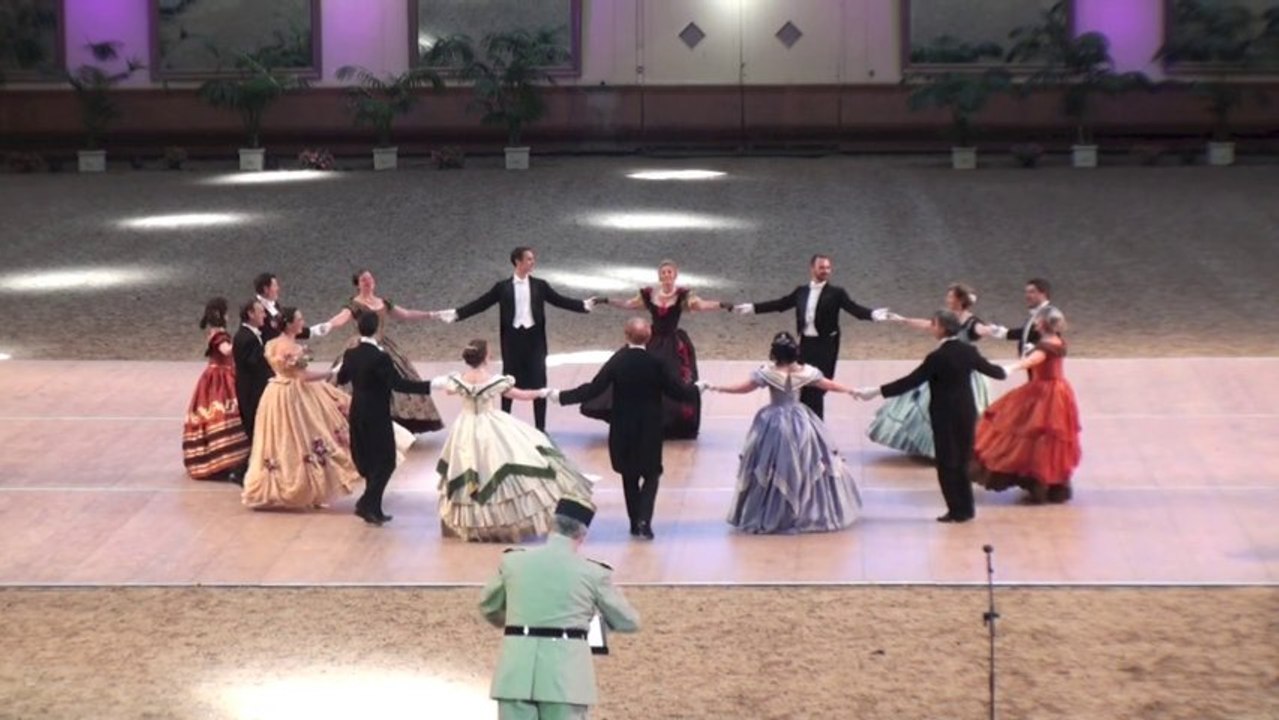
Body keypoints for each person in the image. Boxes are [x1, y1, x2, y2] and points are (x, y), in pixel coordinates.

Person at [480, 497, 640, 720]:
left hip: (515, 672)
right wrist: (594, 625)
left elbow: (488, 605)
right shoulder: (594, 573)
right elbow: (629, 621)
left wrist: (513, 621)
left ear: (550, 526)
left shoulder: (513, 562)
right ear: (582, 535)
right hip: (566, 677)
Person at [552, 318, 703, 540]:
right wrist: (698, 389)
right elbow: (677, 391)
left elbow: (594, 389)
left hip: (623, 427)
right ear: (649, 336)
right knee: (652, 474)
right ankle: (644, 521)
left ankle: (634, 522)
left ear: (626, 335)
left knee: (629, 476)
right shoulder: (656, 362)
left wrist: (560, 396)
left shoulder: (618, 360)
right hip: (650, 427)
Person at [854, 311, 1009, 523]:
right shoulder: (968, 351)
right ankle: (967, 509)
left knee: (946, 463)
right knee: (963, 460)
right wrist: (1014, 367)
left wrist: (875, 391)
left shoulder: (937, 357)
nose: (931, 328)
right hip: (966, 413)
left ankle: (956, 510)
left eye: (934, 324)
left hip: (944, 415)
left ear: (942, 328)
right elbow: (996, 372)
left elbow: (910, 382)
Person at [433, 339, 594, 542]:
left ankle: (472, 521)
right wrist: (543, 392)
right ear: (486, 357)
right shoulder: (494, 381)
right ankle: (500, 521)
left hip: (465, 428)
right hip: (489, 425)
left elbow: (449, 390)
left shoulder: (459, 380)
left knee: (468, 468)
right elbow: (522, 395)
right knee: (501, 462)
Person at [707, 332, 863, 533]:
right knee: (806, 462)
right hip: (800, 421)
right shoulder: (805, 372)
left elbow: (743, 388)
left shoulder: (768, 373)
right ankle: (805, 510)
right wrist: (853, 390)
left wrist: (716, 387)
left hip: (773, 423)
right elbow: (829, 385)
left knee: (772, 464)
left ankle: (774, 512)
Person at [435, 247, 597, 431]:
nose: (533, 262)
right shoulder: (502, 287)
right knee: (508, 381)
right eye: (529, 259)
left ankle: (541, 428)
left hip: (535, 340)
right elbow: (481, 303)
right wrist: (457, 314)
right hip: (512, 340)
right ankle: (505, 424)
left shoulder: (540, 285)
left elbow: (559, 300)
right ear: (518, 262)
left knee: (539, 382)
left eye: (532, 259)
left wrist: (582, 306)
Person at [731, 254, 890, 419]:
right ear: (812, 269)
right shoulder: (801, 291)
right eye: (822, 267)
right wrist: (752, 308)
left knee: (817, 387)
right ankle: (806, 423)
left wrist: (872, 314)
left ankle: (814, 425)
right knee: (804, 386)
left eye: (828, 268)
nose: (825, 271)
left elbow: (854, 309)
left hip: (826, 346)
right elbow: (780, 304)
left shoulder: (836, 293)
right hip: (806, 344)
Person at [583, 259, 725, 439]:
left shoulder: (683, 295)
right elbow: (628, 304)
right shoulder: (650, 295)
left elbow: (702, 305)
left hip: (673, 344)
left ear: (675, 275)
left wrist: (723, 305)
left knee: (673, 379)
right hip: (651, 340)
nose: (666, 275)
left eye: (669, 272)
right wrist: (607, 300)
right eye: (663, 272)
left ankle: (668, 424)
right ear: (660, 276)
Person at [241, 307, 362, 510]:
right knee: (303, 436)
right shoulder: (292, 348)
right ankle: (304, 489)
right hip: (293, 395)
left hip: (275, 393)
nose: (302, 322)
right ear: (289, 324)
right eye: (299, 319)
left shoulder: (271, 343)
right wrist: (330, 373)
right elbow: (303, 377)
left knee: (283, 440)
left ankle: (294, 488)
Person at [867, 283, 994, 459]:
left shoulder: (971, 321)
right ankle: (938, 448)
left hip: (964, 370)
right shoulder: (948, 317)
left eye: (951, 296)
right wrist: (903, 320)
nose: (947, 298)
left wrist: (991, 330)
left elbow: (980, 329)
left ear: (959, 300)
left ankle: (962, 448)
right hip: (945, 366)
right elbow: (928, 325)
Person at [971, 306, 1082, 504]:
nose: (1036, 324)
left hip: (1044, 393)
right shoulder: (1056, 340)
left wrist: (1009, 368)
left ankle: (1037, 480)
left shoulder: (1045, 346)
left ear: (1043, 323)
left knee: (1028, 432)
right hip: (1058, 390)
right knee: (1046, 439)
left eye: (1038, 321)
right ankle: (1050, 483)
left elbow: (1033, 360)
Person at [336, 312, 434, 525]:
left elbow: (342, 378)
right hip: (377, 415)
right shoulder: (381, 357)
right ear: (377, 329)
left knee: (370, 460)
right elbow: (398, 384)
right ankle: (366, 503)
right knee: (386, 461)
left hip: (357, 411)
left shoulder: (351, 354)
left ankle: (375, 509)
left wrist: (346, 366)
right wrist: (431, 386)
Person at [321, 269, 444, 433]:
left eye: (370, 278)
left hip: (382, 344)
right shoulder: (354, 305)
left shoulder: (383, 302)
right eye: (364, 280)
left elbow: (406, 314)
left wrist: (432, 315)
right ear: (357, 284)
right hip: (360, 344)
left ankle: (393, 422)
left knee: (395, 378)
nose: (368, 282)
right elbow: (341, 318)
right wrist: (328, 325)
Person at [182, 298, 251, 481]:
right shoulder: (218, 334)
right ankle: (225, 460)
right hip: (220, 378)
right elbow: (226, 350)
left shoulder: (216, 333)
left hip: (222, 374)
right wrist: (243, 341)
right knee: (223, 413)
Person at [232, 298, 270, 458]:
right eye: (261, 312)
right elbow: (253, 363)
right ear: (250, 314)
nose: (264, 316)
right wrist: (269, 351)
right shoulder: (245, 337)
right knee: (256, 430)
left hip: (254, 389)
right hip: (251, 392)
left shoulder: (251, 335)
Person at [253, 272, 332, 343]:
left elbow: (285, 329)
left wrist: (313, 331)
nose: (278, 288)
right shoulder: (256, 310)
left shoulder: (274, 305)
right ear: (266, 289)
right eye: (275, 286)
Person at [987, 277, 1053, 363]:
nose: (1027, 296)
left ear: (1043, 294)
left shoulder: (1050, 313)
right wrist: (1003, 332)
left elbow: (1052, 337)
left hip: (1041, 364)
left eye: (1032, 292)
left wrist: (1036, 347)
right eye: (1026, 292)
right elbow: (1028, 333)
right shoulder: (1038, 314)